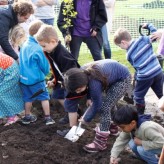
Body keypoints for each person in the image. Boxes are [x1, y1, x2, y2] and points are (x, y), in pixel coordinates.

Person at [61, 59, 131, 151]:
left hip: (123, 79)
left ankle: (100, 143)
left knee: (105, 107)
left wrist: (87, 118)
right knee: (110, 103)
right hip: (111, 75)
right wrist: (90, 98)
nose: (77, 92)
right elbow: (89, 87)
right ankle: (113, 128)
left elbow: (97, 104)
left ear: (82, 83)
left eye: (78, 90)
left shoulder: (94, 82)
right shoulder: (82, 74)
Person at [35, 24, 82, 125]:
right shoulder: (51, 51)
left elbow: (71, 70)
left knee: (70, 101)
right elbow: (56, 68)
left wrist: (62, 82)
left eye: (44, 46)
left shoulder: (63, 55)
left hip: (72, 81)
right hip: (62, 78)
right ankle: (71, 112)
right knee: (57, 94)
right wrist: (53, 79)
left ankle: (73, 118)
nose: (43, 49)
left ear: (53, 41)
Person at [114, 24, 163, 115]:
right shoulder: (143, 39)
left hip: (145, 76)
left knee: (138, 96)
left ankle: (140, 115)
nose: (121, 48)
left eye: (120, 46)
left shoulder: (128, 55)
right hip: (158, 71)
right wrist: (149, 26)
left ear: (123, 42)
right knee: (160, 94)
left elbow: (137, 67)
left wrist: (137, 78)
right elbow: (157, 35)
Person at [19, 20, 55, 125]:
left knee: (28, 98)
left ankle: (27, 117)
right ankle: (47, 117)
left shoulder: (24, 44)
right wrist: (45, 72)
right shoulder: (38, 48)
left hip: (24, 78)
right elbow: (44, 66)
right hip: (36, 79)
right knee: (44, 97)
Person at [0, 52, 24, 126]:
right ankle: (2, 117)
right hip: (4, 71)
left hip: (10, 71)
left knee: (3, 93)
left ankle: (13, 117)